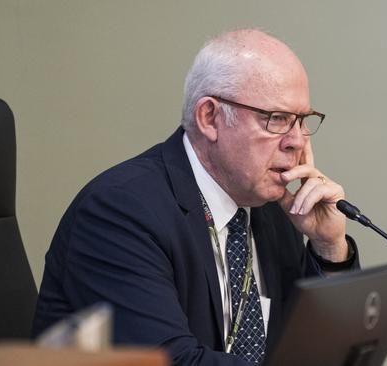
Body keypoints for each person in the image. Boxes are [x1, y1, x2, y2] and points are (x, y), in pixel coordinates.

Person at [32, 29, 359, 365]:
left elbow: (324, 350)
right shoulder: (119, 212)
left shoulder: (272, 208)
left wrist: (329, 248)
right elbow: (172, 361)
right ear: (210, 118)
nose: (297, 141)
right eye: (277, 119)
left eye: (302, 120)